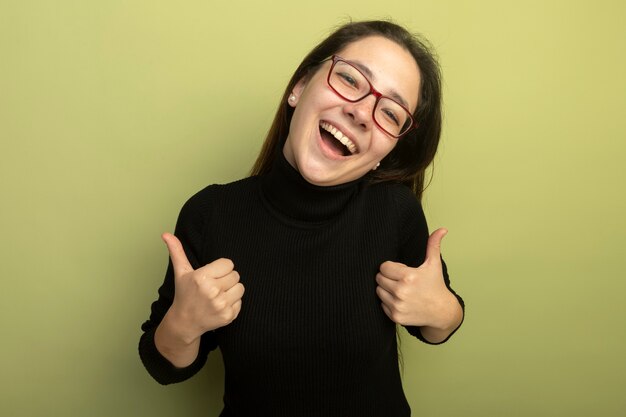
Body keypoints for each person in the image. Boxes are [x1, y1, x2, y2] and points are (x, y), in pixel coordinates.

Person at [139, 20, 464, 417]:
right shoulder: (211, 214)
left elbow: (437, 326)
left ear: (385, 153)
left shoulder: (396, 213)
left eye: (391, 114)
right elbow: (162, 365)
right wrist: (184, 322)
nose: (362, 112)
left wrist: (445, 311)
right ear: (299, 86)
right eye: (349, 79)